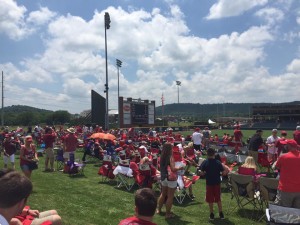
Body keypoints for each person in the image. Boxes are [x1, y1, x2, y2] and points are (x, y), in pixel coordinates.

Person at [157, 143, 184, 219]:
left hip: (163, 177)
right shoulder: (170, 157)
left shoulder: (161, 157)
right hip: (171, 178)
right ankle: (167, 214)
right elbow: (173, 169)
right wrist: (180, 168)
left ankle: (159, 210)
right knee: (170, 196)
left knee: (163, 194)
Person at [199, 148, 224, 220]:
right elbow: (222, 171)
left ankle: (212, 214)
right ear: (214, 154)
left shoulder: (205, 162)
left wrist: (202, 173)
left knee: (210, 199)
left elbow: (201, 172)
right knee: (218, 198)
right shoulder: (218, 162)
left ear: (207, 154)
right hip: (217, 182)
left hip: (209, 183)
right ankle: (221, 213)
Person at [275, 139, 300, 209]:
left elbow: (276, 167)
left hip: (285, 188)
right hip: (298, 189)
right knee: (297, 212)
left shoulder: (283, 156)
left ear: (288, 146)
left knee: (284, 211)